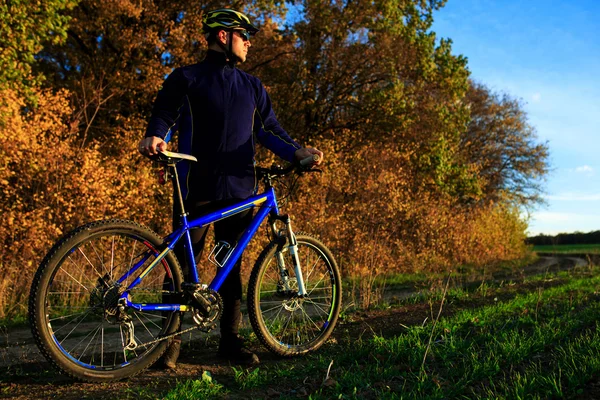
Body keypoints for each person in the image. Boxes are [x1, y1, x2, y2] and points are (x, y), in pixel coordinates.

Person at [138, 9, 323, 367]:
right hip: (195, 185)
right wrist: (156, 136)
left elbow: (268, 130)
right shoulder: (187, 77)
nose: (249, 42)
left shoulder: (252, 87)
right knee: (179, 264)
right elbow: (164, 111)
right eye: (244, 35)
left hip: (240, 188)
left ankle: (230, 342)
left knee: (231, 265)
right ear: (223, 36)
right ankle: (168, 346)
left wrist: (297, 150)